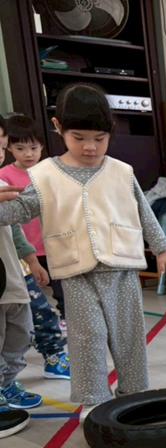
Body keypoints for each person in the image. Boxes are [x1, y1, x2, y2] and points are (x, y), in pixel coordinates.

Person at [0, 83, 166, 411]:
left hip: (122, 270)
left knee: (129, 338)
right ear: (58, 127)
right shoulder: (45, 175)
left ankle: (134, 395)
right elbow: (20, 209)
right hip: (76, 273)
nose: (90, 147)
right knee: (88, 340)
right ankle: (94, 403)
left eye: (99, 138)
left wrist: (162, 250)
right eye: (79, 137)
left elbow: (143, 211)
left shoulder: (121, 171)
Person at [0, 113, 71, 380]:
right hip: (9, 272)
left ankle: (53, 358)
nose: (28, 153)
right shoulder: (6, 177)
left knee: (38, 316)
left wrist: (30, 261)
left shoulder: (11, 181)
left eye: (0, 146)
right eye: (19, 148)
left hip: (20, 266)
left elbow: (15, 229)